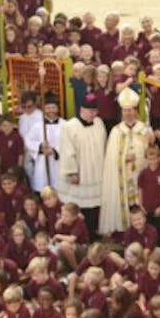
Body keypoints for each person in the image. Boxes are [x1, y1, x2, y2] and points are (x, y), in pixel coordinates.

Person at [100, 88, 154, 236]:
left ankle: (142, 231)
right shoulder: (116, 131)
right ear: (121, 112)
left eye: (131, 110)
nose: (128, 113)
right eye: (125, 110)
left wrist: (151, 141)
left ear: (136, 111)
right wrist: (124, 158)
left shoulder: (144, 129)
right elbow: (111, 159)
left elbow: (152, 154)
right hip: (122, 178)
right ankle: (125, 233)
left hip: (140, 176)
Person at [57, 94, 107, 240]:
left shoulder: (99, 123)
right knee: (80, 207)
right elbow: (67, 151)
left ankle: (92, 234)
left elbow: (103, 146)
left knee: (93, 207)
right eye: (89, 112)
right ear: (81, 110)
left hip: (95, 171)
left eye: (95, 112)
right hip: (80, 173)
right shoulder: (69, 127)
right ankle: (79, 236)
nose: (93, 115)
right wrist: (72, 172)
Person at [26, 93, 63, 192]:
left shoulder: (65, 125)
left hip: (58, 162)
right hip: (43, 161)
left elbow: (69, 143)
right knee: (44, 188)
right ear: (44, 109)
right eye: (48, 108)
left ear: (57, 109)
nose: (51, 110)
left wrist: (54, 150)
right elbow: (28, 140)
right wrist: (40, 145)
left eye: (53, 107)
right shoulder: (37, 125)